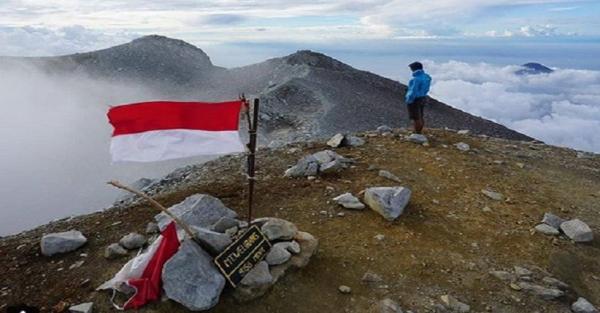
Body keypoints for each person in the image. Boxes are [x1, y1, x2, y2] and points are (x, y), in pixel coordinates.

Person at [405, 61, 432, 134]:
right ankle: (419, 131)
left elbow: (413, 91)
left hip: (415, 99)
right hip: (423, 97)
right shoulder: (427, 77)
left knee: (415, 117)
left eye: (411, 68)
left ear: (414, 69)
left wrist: (409, 99)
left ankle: (417, 133)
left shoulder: (415, 79)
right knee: (420, 115)